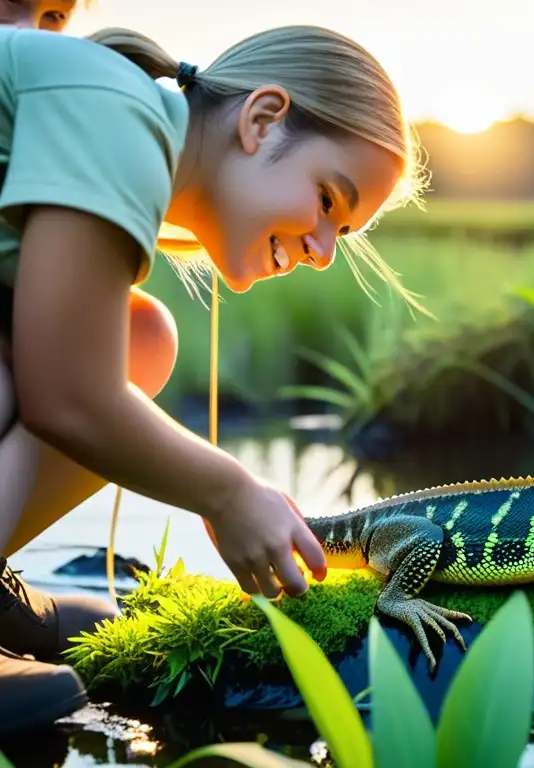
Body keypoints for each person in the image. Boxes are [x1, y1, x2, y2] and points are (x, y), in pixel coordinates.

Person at [0, 11, 424, 731]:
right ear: (261, 119)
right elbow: (64, 395)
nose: (322, 249)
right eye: (327, 199)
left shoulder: (123, 123)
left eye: (341, 234)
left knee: (138, 340)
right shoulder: (118, 111)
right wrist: (229, 494)